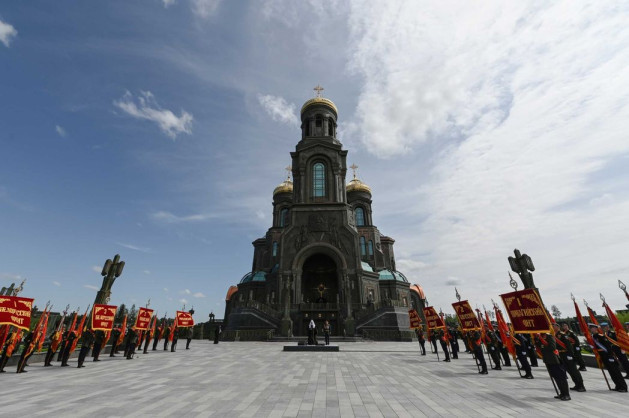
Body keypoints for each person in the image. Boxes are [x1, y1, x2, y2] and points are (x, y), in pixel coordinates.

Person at [590, 324, 627, 391]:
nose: (592, 329)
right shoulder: (593, 337)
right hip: (603, 357)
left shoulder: (601, 336)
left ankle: (623, 387)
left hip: (608, 356)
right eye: (591, 328)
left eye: (593, 328)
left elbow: (608, 347)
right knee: (611, 372)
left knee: (616, 372)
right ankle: (618, 386)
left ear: (596, 329)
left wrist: (611, 356)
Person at [534, 332, 570, 400]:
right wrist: (537, 340)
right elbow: (539, 346)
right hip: (548, 361)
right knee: (556, 378)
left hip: (555, 361)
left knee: (561, 378)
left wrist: (542, 345)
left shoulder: (549, 336)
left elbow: (552, 347)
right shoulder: (540, 337)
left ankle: (566, 394)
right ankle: (562, 393)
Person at [554, 323, 585, 392]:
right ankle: (577, 384)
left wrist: (571, 355)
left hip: (567, 354)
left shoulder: (562, 334)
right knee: (569, 371)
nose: (552, 328)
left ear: (558, 327)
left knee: (574, 371)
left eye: (554, 326)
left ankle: (581, 386)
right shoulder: (555, 335)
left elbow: (568, 345)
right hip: (562, 355)